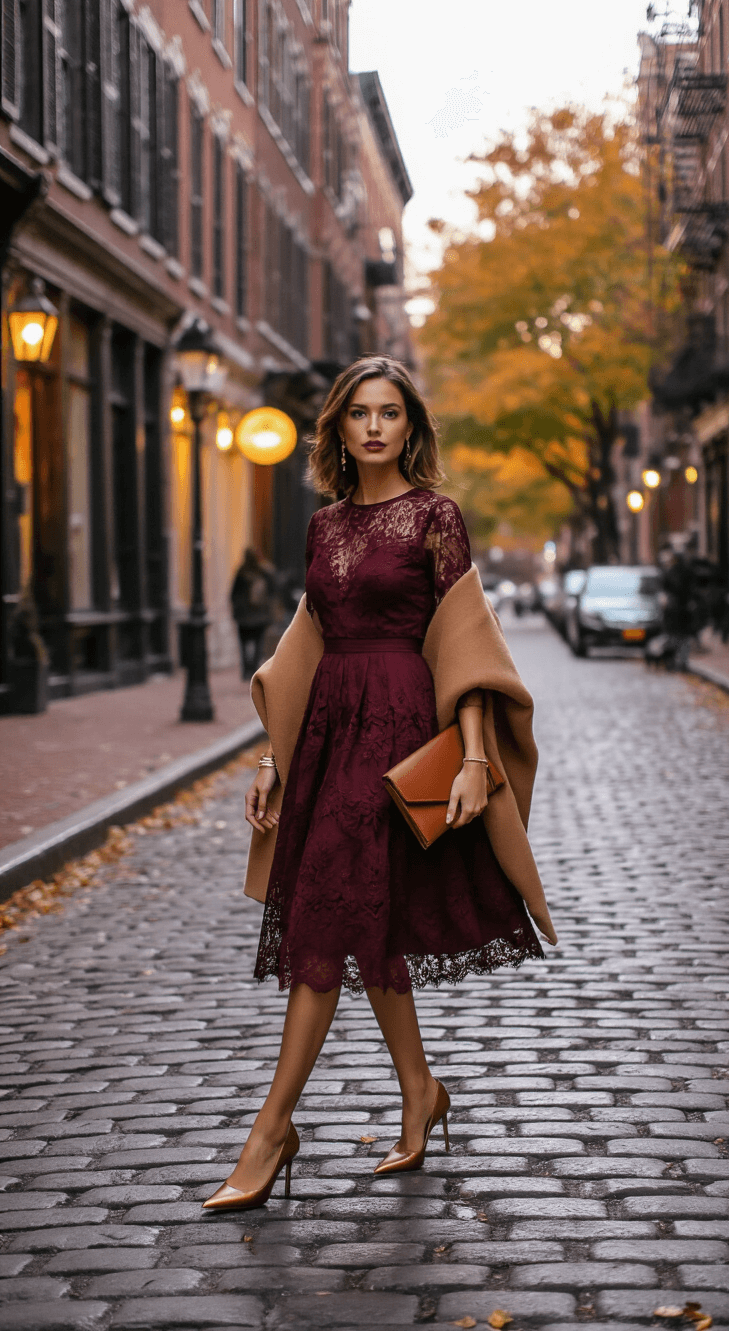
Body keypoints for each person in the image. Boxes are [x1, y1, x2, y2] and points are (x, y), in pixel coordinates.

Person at [203, 356, 557, 1213]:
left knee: (331, 913)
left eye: (389, 413)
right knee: (369, 919)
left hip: (406, 730)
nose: (373, 427)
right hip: (331, 731)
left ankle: (272, 1127)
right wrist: (273, 759)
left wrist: (473, 757)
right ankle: (421, 1091)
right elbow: (307, 647)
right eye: (358, 413)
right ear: (339, 427)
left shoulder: (438, 515)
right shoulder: (324, 528)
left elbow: (461, 644)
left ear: (410, 427)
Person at [230, 547, 273, 679]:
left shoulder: (241, 573)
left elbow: (233, 594)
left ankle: (246, 671)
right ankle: (254, 668)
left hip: (244, 616)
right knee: (258, 643)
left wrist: (237, 609)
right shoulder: (263, 572)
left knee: (243, 644)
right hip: (260, 615)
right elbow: (272, 590)